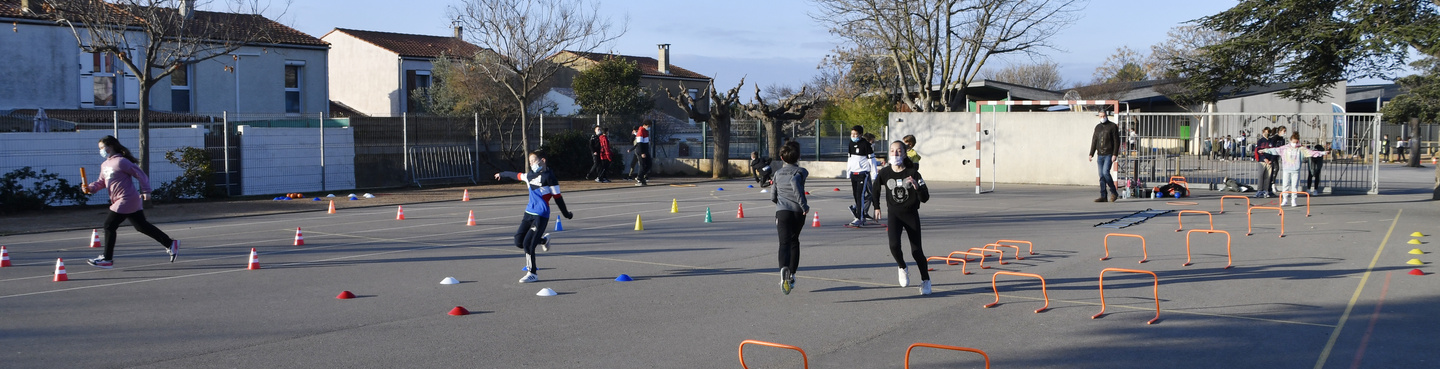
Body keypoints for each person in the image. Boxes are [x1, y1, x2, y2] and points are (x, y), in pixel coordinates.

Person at [83, 135, 179, 268]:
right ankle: (170, 243)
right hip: (123, 200)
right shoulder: (105, 164)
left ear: (110, 147)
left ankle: (107, 259)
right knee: (141, 226)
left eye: (102, 148)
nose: (101, 151)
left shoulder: (121, 162)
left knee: (109, 226)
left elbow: (141, 175)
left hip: (126, 199)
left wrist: (146, 191)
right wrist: (90, 188)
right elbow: (101, 182)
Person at [494, 151, 574, 283]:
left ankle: (532, 273)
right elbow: (516, 175)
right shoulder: (530, 175)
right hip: (528, 213)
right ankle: (543, 241)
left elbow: (558, 198)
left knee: (528, 244)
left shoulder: (550, 177)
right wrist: (501, 174)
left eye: (533, 161)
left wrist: (566, 214)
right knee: (518, 241)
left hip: (541, 215)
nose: (531, 164)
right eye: (529, 162)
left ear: (542, 160)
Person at [869, 140, 932, 295]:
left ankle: (926, 280)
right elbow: (875, 190)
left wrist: (917, 188)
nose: (895, 154)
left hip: (910, 214)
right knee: (894, 245)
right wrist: (876, 207)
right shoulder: (885, 172)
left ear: (904, 154)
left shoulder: (913, 173)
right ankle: (902, 267)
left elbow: (925, 197)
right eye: (892, 151)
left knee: (916, 251)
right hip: (894, 214)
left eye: (898, 151)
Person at [770, 141, 808, 294]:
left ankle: (782, 270)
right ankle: (792, 273)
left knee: (783, 243)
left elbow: (773, 195)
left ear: (781, 157)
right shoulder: (801, 171)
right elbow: (796, 184)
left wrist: (778, 203)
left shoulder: (778, 173)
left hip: (783, 211)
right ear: (799, 156)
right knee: (794, 241)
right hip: (798, 212)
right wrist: (803, 205)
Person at [1260, 133, 1327, 207]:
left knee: (1294, 186)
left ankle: (1293, 200)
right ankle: (1285, 199)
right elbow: (1275, 150)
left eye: (1296, 142)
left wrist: (1322, 153)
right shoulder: (1285, 148)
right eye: (1293, 142)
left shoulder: (1301, 149)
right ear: (1290, 140)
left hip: (1296, 170)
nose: (1294, 144)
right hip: (1286, 169)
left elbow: (1311, 153)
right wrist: (1265, 150)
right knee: (1285, 185)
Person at [845, 125, 878, 226]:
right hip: (853, 173)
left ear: (860, 134)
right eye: (852, 134)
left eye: (855, 134)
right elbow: (849, 159)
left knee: (860, 195)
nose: (853, 136)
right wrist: (848, 172)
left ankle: (859, 217)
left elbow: (872, 160)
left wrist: (874, 174)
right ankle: (859, 214)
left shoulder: (866, 144)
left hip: (863, 173)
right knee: (856, 195)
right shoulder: (850, 144)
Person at [1088, 111, 1121, 202]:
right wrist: (1091, 153)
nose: (1102, 118)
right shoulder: (1097, 127)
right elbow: (1094, 141)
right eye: (1100, 116)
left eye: (1104, 116)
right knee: (1101, 175)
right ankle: (1103, 196)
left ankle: (1114, 192)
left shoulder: (1112, 126)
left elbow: (1116, 141)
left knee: (1106, 172)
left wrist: (1115, 154)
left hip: (1109, 153)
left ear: (1106, 116)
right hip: (1100, 155)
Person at [1253, 127, 1277, 198]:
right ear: (1263, 132)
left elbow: (1273, 151)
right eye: (1265, 132)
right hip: (1262, 161)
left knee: (1268, 176)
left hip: (1269, 162)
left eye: (1268, 133)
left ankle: (1266, 190)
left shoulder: (1271, 141)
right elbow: (1258, 150)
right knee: (1261, 175)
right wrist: (1264, 159)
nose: (1267, 134)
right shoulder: (1260, 141)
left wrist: (1271, 160)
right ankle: (1259, 190)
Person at [634, 120, 653, 186]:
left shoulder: (646, 131)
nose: (649, 127)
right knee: (643, 165)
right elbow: (639, 144)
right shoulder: (641, 131)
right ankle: (639, 178)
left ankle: (641, 177)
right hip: (641, 151)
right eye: (648, 126)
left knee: (649, 164)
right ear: (644, 125)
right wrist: (642, 153)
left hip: (646, 151)